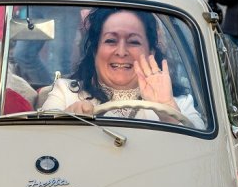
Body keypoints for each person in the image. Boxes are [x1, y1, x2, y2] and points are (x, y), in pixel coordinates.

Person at [40, 7, 204, 128]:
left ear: (151, 52)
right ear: (95, 49)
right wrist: (67, 122)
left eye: (134, 42)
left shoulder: (179, 101)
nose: (121, 52)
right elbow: (41, 143)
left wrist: (167, 110)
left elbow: (202, 156)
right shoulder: (65, 92)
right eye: (111, 40)